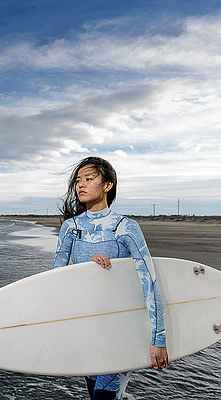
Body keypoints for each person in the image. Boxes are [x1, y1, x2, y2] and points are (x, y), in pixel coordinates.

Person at [52, 156, 168, 400]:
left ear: (108, 185)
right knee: (95, 393)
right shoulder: (70, 227)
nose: (80, 185)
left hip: (120, 329)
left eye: (89, 179)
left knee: (103, 398)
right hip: (87, 329)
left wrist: (159, 339)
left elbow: (149, 282)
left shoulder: (125, 227)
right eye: (78, 180)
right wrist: (89, 269)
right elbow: (56, 282)